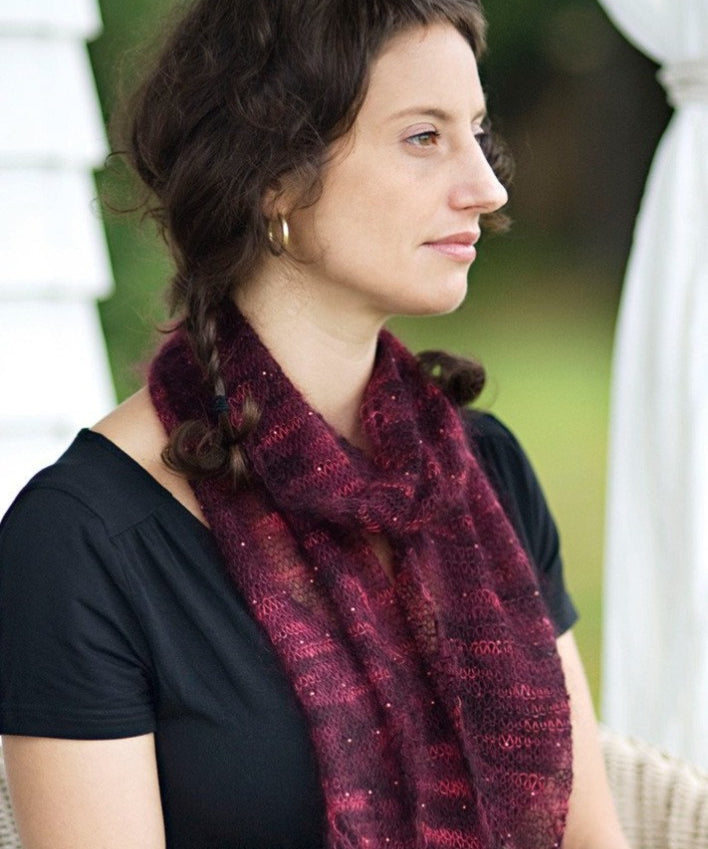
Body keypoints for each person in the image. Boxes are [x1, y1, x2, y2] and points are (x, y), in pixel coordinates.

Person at [0, 1, 630, 847]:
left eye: (478, 132)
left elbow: (590, 836)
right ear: (274, 174)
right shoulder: (84, 542)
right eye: (423, 136)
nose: (487, 187)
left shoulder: (483, 472)